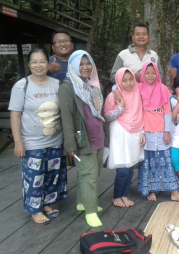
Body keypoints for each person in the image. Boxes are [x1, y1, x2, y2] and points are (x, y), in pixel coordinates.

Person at [9, 48, 67, 224]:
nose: (38, 65)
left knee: (52, 175)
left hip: (55, 140)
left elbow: (64, 112)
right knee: (34, 177)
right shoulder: (22, 85)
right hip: (32, 142)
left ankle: (47, 204)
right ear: (29, 65)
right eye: (34, 62)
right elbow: (15, 115)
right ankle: (34, 209)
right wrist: (18, 142)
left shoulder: (56, 85)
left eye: (42, 61)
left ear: (48, 64)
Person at [59, 50, 107, 227]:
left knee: (94, 173)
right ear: (73, 66)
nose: (85, 67)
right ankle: (90, 211)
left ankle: (82, 202)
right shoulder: (67, 86)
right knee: (88, 175)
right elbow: (66, 116)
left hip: (98, 136)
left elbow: (100, 113)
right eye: (81, 64)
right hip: (81, 139)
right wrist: (70, 143)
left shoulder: (93, 85)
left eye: (88, 63)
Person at [137, 62, 179, 205]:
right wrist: (141, 131)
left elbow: (167, 113)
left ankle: (174, 192)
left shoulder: (163, 89)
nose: (150, 76)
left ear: (158, 73)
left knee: (166, 162)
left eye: (153, 72)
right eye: (147, 73)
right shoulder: (139, 89)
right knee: (149, 162)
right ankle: (151, 190)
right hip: (146, 131)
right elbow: (137, 111)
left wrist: (167, 131)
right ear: (142, 74)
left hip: (161, 131)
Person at [104, 68, 146, 208]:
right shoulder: (113, 96)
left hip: (135, 132)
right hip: (120, 133)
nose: (128, 83)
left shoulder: (137, 92)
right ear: (118, 81)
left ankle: (124, 195)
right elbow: (108, 116)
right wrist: (120, 108)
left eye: (130, 79)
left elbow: (140, 112)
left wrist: (142, 131)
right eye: (124, 80)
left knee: (130, 167)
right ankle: (116, 196)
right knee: (122, 168)